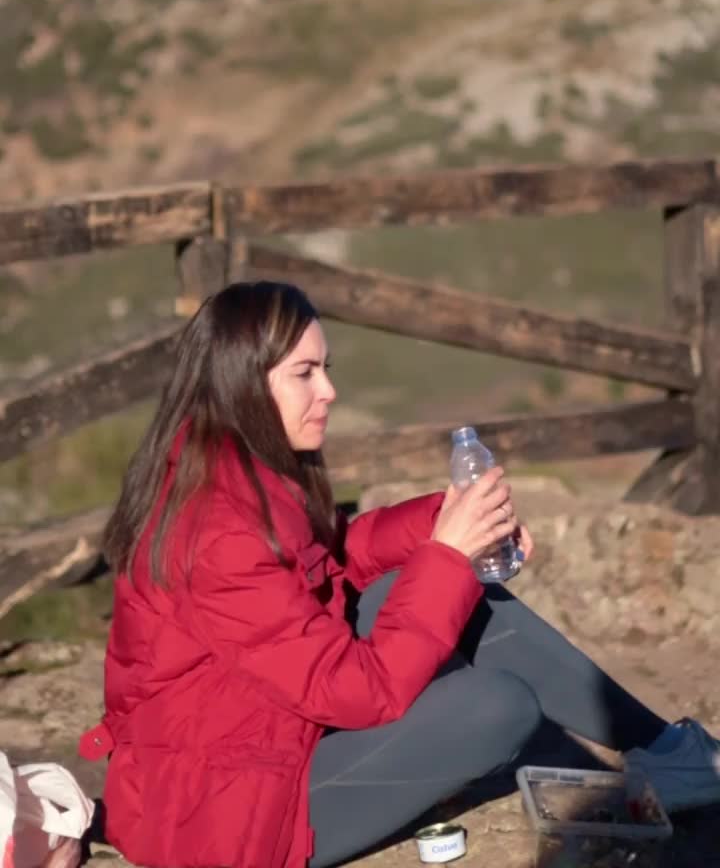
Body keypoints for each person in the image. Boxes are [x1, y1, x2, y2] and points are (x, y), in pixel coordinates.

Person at [79, 280, 720, 868]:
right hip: (221, 817)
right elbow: (360, 692)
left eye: (325, 370)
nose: (328, 391)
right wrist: (446, 557)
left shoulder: (239, 468)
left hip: (258, 737)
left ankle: (668, 753)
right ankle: (660, 762)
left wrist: (441, 527)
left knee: (448, 595)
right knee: (497, 706)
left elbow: (325, 565)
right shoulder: (215, 528)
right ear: (242, 382)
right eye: (305, 373)